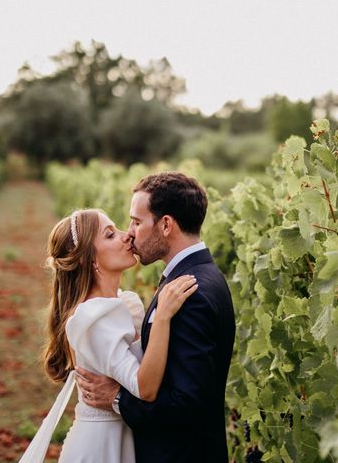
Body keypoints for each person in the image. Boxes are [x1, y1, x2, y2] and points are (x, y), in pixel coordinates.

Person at [75, 172, 236, 462]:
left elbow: (186, 404)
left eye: (137, 221)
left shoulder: (191, 294)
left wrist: (116, 399)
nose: (130, 232)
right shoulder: (199, 276)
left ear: (165, 225)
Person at [20, 208, 197, 463]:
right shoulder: (95, 318)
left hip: (122, 435)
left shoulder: (120, 304)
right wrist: (162, 318)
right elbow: (143, 388)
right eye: (110, 235)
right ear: (87, 259)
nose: (127, 236)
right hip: (100, 447)